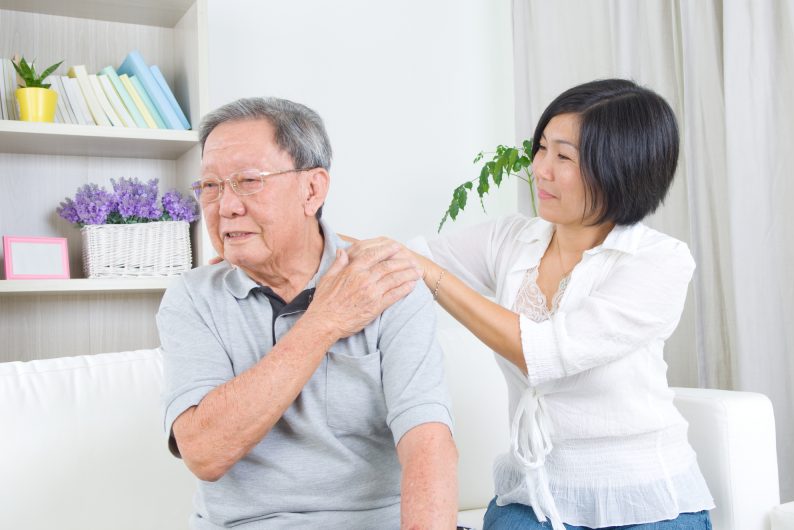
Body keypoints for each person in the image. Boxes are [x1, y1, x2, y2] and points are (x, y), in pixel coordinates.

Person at [347, 79, 715, 529]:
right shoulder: (510, 239)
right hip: (534, 498)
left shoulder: (659, 261)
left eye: (564, 157)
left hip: (642, 501)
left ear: (621, 168)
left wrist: (428, 271)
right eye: (542, 148)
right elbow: (392, 259)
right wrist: (284, 243)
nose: (540, 169)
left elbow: (543, 352)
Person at [156, 97, 458, 529]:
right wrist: (323, 322)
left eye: (247, 181)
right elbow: (205, 453)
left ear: (312, 190)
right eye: (210, 186)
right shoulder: (192, 298)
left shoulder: (386, 283)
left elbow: (427, 441)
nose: (225, 207)